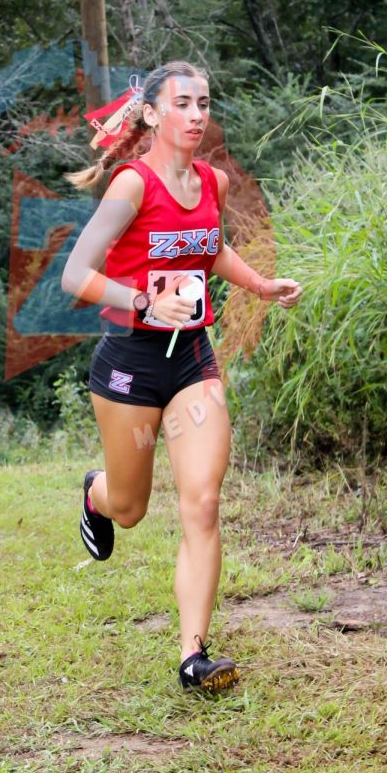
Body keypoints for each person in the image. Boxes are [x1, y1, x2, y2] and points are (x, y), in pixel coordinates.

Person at [61, 61, 302, 692]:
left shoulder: (212, 183)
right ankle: (97, 494)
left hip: (192, 359)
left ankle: (194, 656)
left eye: (204, 104)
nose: (196, 115)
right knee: (132, 507)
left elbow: (209, 246)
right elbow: (75, 276)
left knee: (203, 501)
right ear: (151, 114)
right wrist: (143, 300)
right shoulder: (130, 187)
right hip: (129, 364)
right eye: (183, 104)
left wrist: (258, 283)